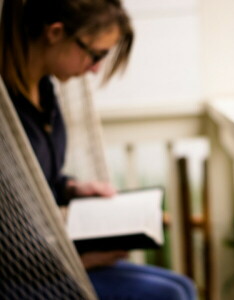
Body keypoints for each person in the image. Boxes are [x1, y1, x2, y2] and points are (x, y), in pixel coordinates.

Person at [0, 0, 197, 299]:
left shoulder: (46, 91)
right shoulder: (7, 115)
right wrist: (82, 260)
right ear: (55, 33)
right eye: (96, 55)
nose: (95, 69)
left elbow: (37, 179)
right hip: (22, 275)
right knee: (171, 294)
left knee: (182, 286)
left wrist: (73, 188)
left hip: (54, 254)